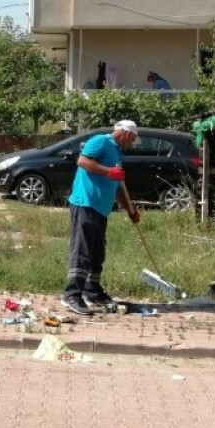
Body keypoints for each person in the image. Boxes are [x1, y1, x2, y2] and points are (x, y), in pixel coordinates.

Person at [62, 119, 142, 316]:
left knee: (97, 252)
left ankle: (92, 290)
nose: (131, 144)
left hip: (101, 209)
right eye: (131, 140)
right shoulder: (101, 141)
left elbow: (118, 187)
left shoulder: (117, 153)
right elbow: (83, 161)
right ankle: (72, 294)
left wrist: (130, 210)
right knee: (82, 250)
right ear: (125, 133)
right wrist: (109, 171)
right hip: (85, 203)